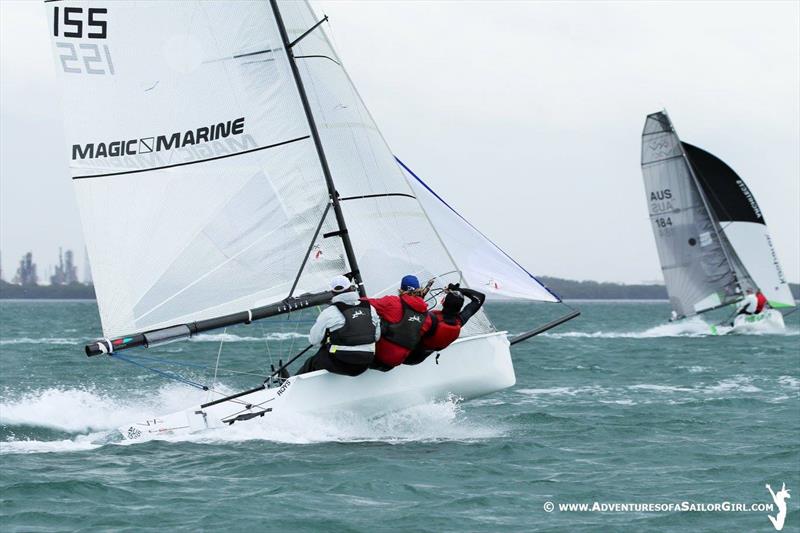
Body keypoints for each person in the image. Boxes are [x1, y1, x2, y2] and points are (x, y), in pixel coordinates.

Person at [295, 275, 380, 377]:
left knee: (312, 362)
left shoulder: (329, 312)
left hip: (342, 363)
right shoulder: (370, 308)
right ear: (351, 288)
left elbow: (314, 340)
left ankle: (287, 384)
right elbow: (376, 336)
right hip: (367, 361)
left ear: (333, 292)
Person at [404, 283, 486, 366]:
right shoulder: (459, 322)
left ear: (443, 302)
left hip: (405, 355)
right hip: (418, 359)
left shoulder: (429, 320)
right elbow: (480, 298)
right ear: (460, 308)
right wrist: (460, 291)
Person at [366, 275, 433, 370]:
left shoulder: (392, 302)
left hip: (374, 357)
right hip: (394, 363)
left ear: (401, 289)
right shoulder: (427, 318)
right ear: (420, 290)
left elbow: (364, 303)